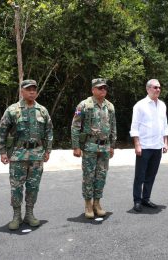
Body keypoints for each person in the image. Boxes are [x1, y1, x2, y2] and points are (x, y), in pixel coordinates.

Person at [0, 80, 53, 230]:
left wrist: (47, 150)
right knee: (16, 187)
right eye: (28, 89)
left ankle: (29, 213)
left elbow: (49, 131)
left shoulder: (42, 110)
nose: (32, 92)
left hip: (37, 154)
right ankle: (16, 215)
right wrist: (3, 152)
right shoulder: (12, 110)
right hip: (18, 154)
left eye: (34, 89)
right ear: (22, 91)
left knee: (33, 186)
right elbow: (2, 131)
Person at [71, 78, 117, 219]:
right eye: (100, 88)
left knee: (101, 176)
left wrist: (112, 145)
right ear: (93, 90)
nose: (103, 90)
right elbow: (75, 126)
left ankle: (97, 203)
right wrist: (76, 146)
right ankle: (88, 204)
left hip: (104, 147)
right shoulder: (84, 105)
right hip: (90, 146)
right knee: (89, 176)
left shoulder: (109, 106)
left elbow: (113, 126)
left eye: (105, 88)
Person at [130, 79, 168, 212]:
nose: (158, 89)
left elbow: (164, 125)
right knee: (140, 175)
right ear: (148, 89)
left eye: (159, 87)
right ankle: (137, 201)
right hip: (144, 146)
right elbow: (134, 126)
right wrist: (137, 144)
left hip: (157, 146)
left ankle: (146, 199)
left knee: (151, 175)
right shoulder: (140, 105)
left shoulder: (162, 105)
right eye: (155, 87)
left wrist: (165, 142)